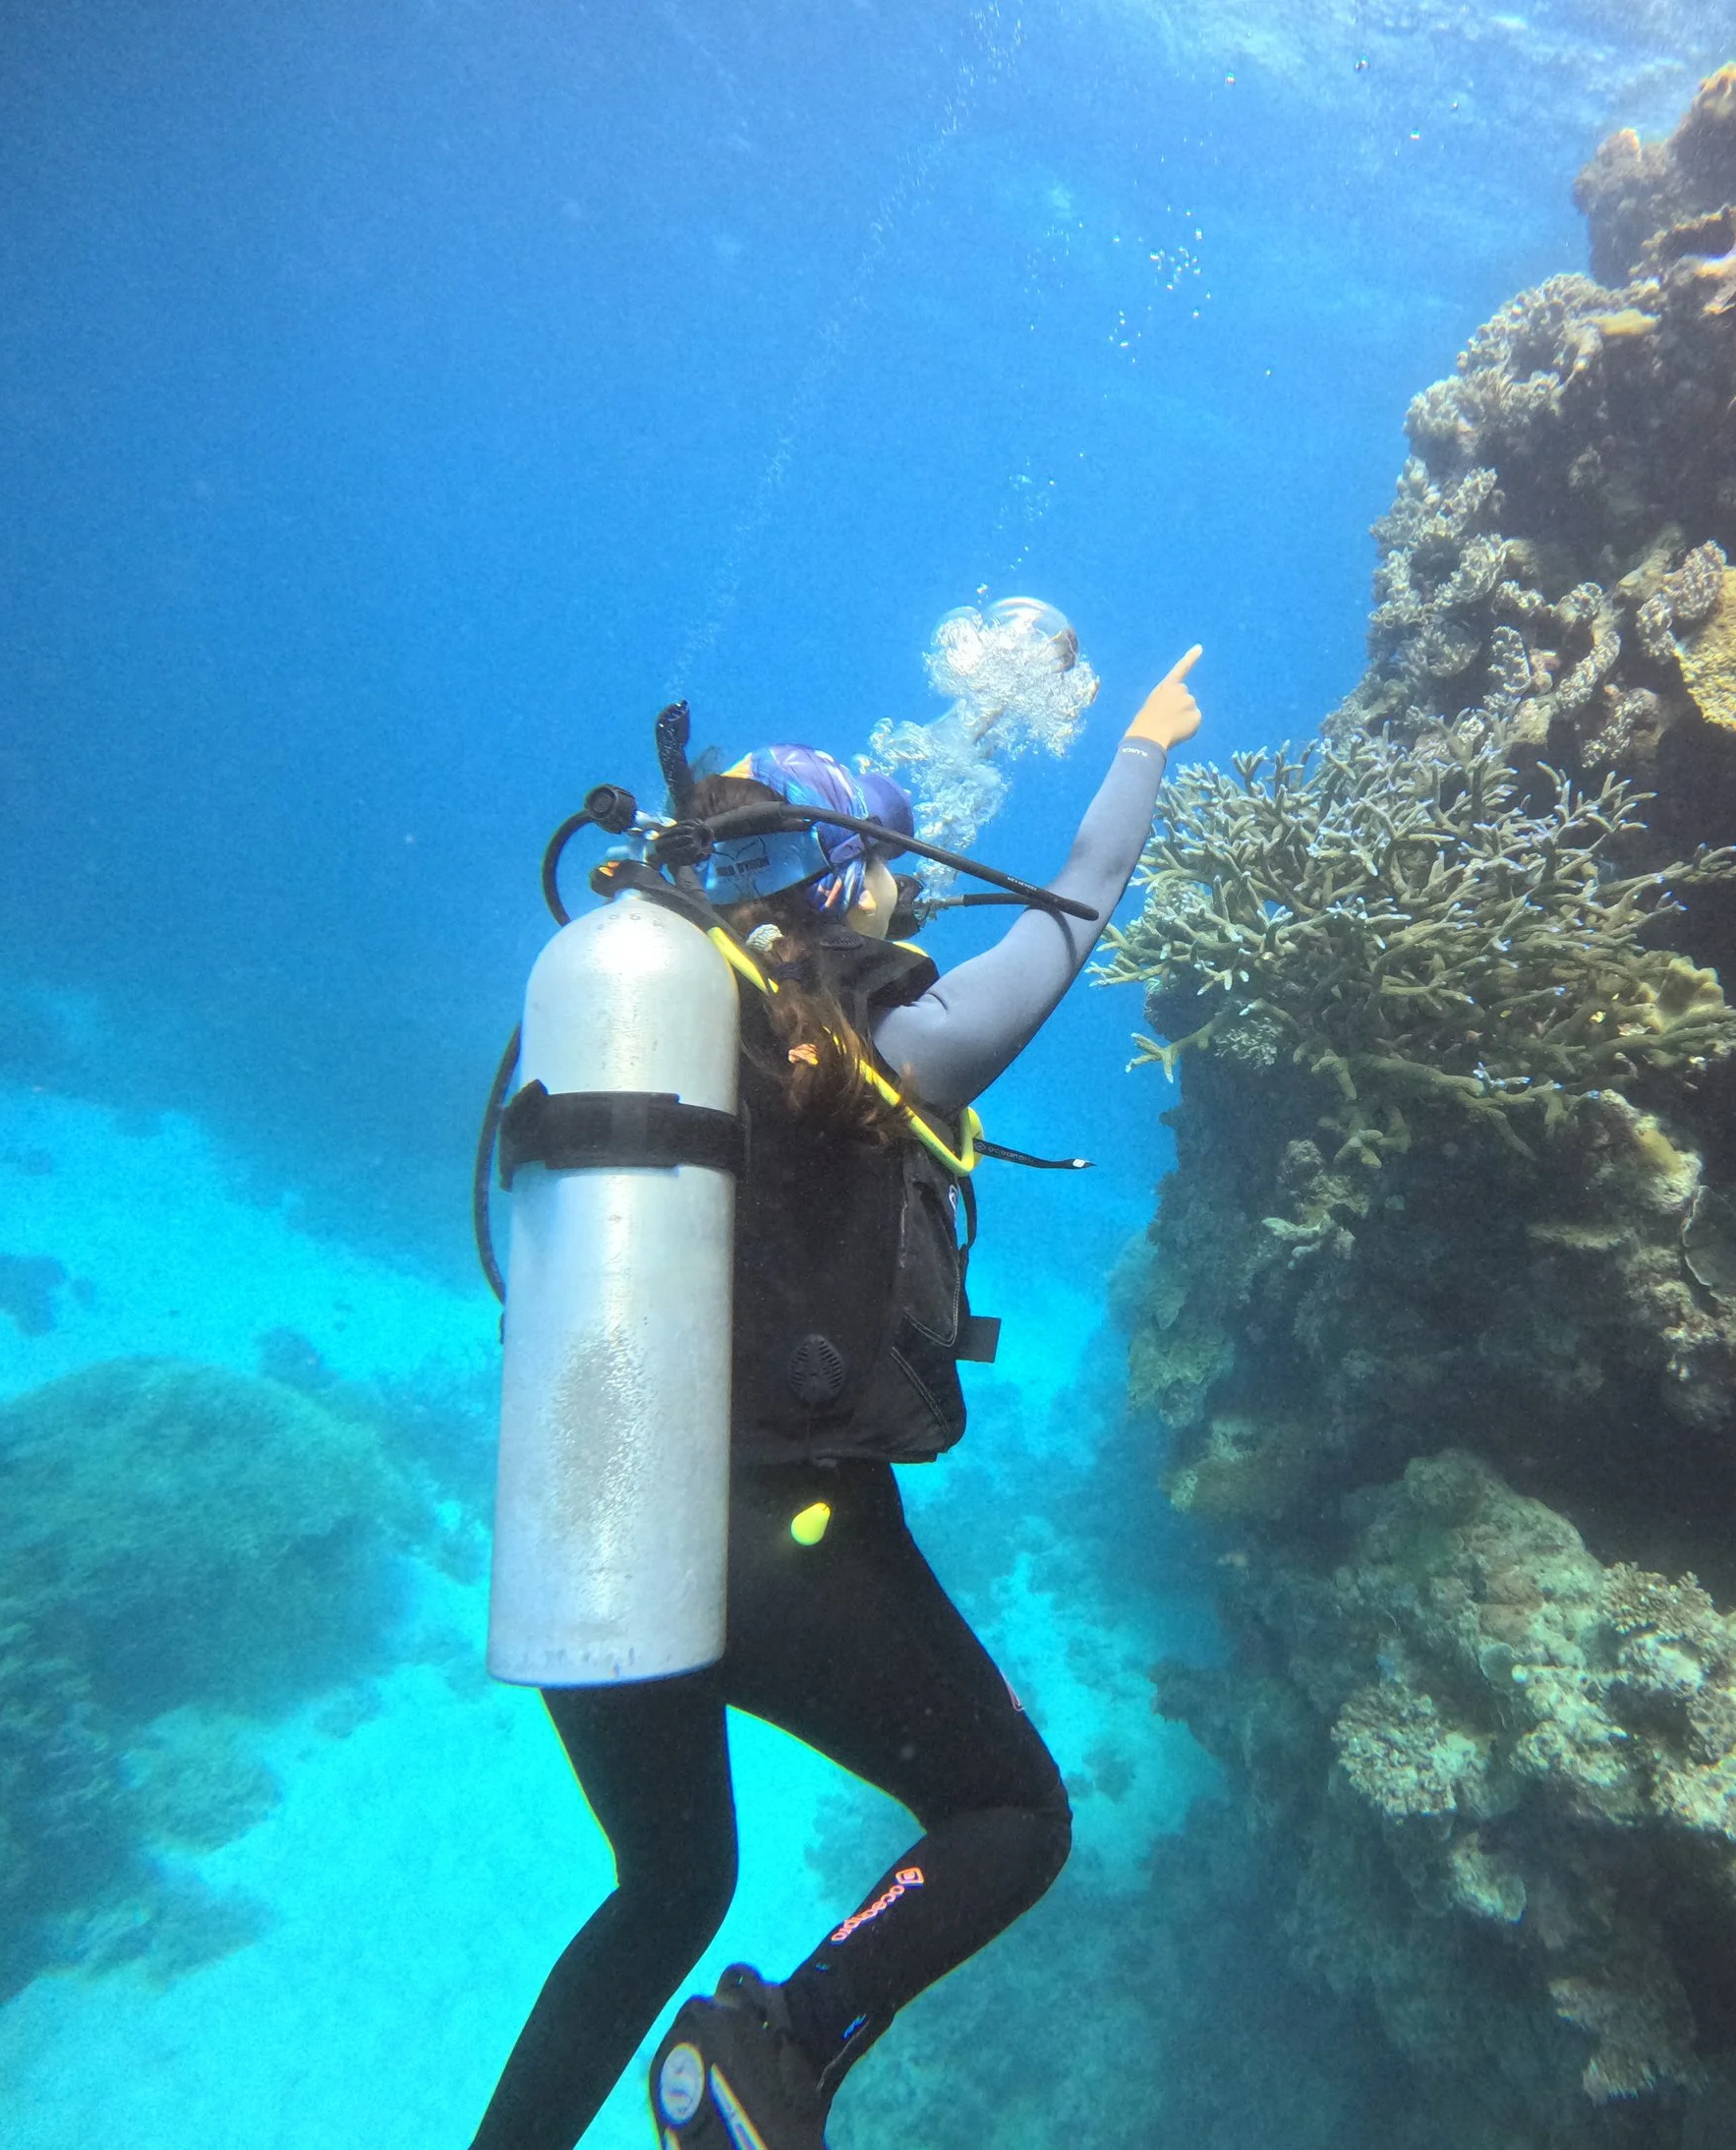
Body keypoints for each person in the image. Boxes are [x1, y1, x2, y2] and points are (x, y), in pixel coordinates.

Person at [471, 645, 1205, 2150]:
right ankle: (777, 2050)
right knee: (1016, 1813)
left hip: (577, 1504)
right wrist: (1143, 746)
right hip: (768, 1536)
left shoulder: (645, 1014)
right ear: (847, 876)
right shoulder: (860, 1034)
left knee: (670, 1881)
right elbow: (1070, 913)